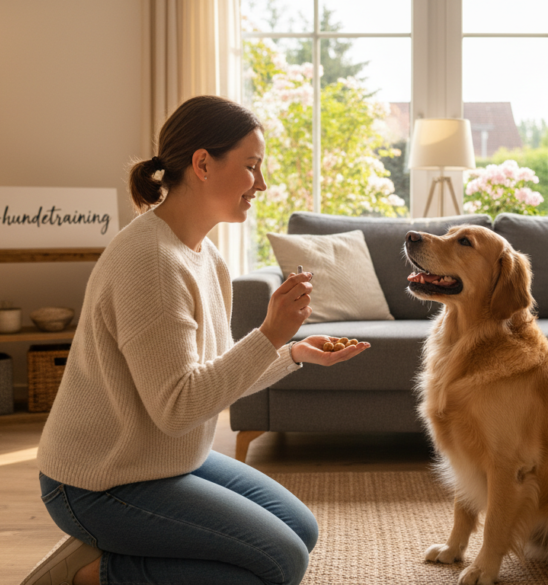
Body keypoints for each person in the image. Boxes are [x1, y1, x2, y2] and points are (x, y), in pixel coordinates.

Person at [21, 95, 369, 585]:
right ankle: (89, 575)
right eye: (252, 166)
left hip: (162, 462)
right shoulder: (152, 263)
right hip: (97, 483)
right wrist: (269, 333)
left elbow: (213, 375)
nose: (262, 184)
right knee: (280, 563)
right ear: (203, 163)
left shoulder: (205, 258)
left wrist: (290, 351)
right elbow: (179, 407)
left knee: (300, 531)